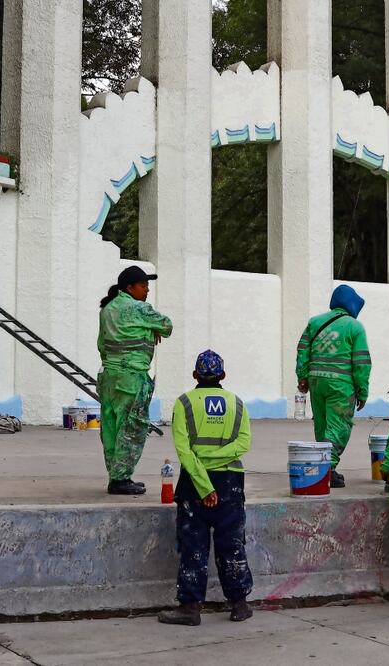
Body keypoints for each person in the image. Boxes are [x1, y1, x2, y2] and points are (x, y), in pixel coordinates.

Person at [158, 350, 253, 626]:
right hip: (231, 483)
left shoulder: (184, 403)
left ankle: (190, 608)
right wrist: (218, 460)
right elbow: (243, 444)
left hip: (194, 484)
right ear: (223, 375)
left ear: (195, 375)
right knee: (232, 545)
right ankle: (239, 604)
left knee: (193, 547)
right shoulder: (237, 403)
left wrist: (203, 481)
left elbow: (184, 452)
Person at [98, 266, 173, 495]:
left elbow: (102, 344)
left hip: (108, 376)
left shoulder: (108, 309)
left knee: (111, 427)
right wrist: (152, 330)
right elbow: (167, 326)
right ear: (129, 288)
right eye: (143, 286)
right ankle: (121, 479)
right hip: (131, 377)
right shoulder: (139, 308)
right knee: (132, 426)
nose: (147, 290)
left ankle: (115, 475)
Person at [294, 284, 371, 488]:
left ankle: (321, 466)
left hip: (316, 382)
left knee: (322, 424)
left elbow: (302, 350)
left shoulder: (315, 322)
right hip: (341, 386)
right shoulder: (355, 327)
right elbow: (361, 361)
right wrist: (362, 390)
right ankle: (327, 469)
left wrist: (302, 377)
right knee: (338, 426)